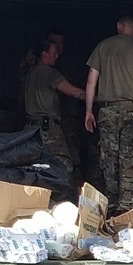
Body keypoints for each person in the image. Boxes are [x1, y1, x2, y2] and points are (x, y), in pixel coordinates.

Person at [85, 16, 133, 214]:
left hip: (108, 111)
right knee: (131, 160)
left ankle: (112, 205)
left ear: (118, 27)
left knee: (109, 158)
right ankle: (127, 209)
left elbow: (91, 82)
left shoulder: (102, 47)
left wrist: (88, 111)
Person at [22, 36, 86, 176]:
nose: (57, 56)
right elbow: (74, 92)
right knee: (64, 166)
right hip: (47, 129)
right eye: (54, 52)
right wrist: (100, 97)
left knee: (36, 166)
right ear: (44, 54)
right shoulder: (49, 73)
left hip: (29, 129)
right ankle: (58, 197)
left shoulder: (29, 74)